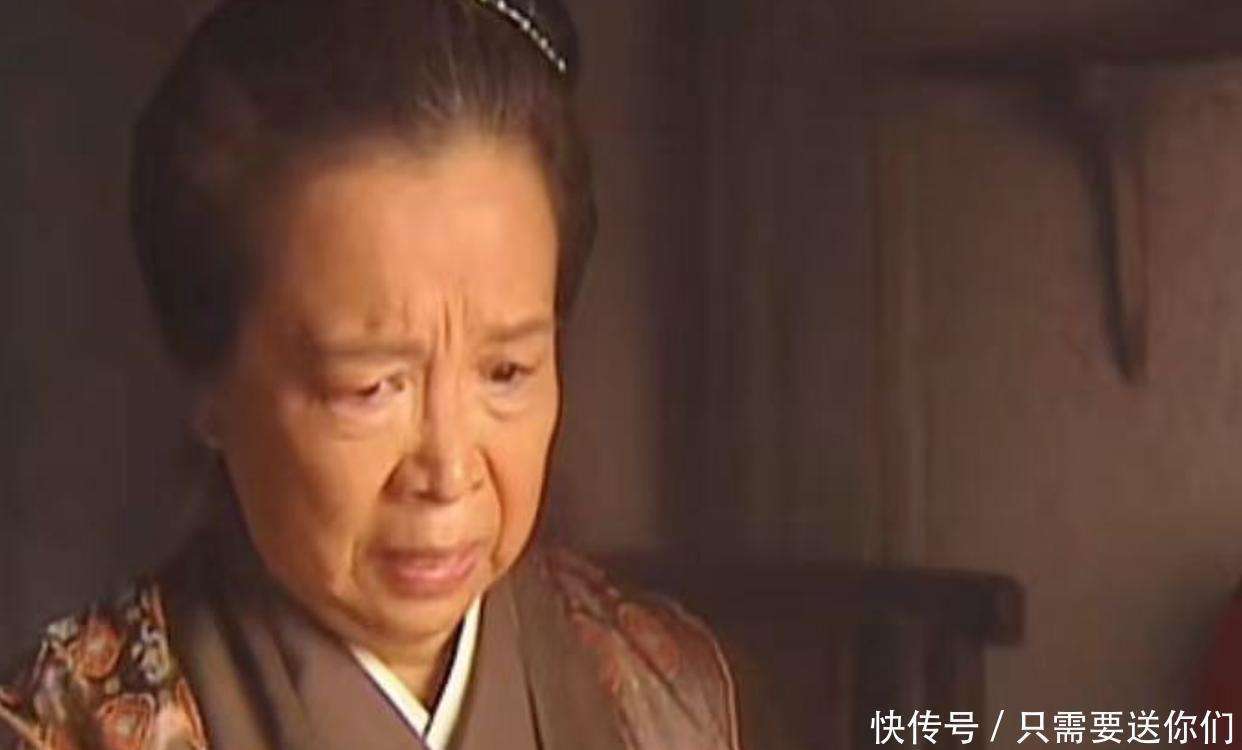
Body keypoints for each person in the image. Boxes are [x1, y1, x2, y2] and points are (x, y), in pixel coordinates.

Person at [0, 0, 740, 748]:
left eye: (507, 371)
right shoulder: (59, 730)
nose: (449, 472)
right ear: (209, 376)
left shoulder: (662, 695)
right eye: (370, 387)